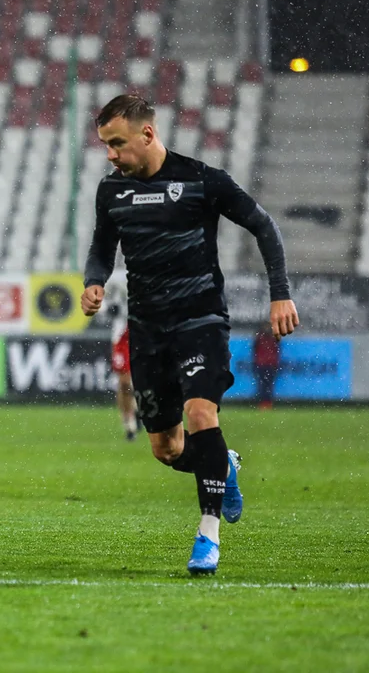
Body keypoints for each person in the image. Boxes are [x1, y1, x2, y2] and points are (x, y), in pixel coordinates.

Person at [81, 94, 299, 575]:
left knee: (202, 413)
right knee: (168, 449)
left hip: (200, 320)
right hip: (147, 327)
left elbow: (263, 227)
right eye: (105, 146)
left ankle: (208, 537)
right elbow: (102, 245)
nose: (111, 155)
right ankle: (225, 466)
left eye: (117, 144)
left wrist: (280, 293)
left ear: (148, 134)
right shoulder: (111, 191)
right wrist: (93, 280)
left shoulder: (202, 180)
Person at [104, 270, 139, 441]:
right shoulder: (114, 275)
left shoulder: (151, 268)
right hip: (122, 337)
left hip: (145, 333)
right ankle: (129, 422)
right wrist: (110, 309)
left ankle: (138, 408)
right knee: (125, 383)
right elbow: (103, 304)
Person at [253, 322, 281, 410]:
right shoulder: (260, 337)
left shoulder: (273, 337)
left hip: (270, 364)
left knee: (268, 384)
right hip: (262, 364)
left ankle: (267, 403)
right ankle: (263, 402)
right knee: (262, 384)